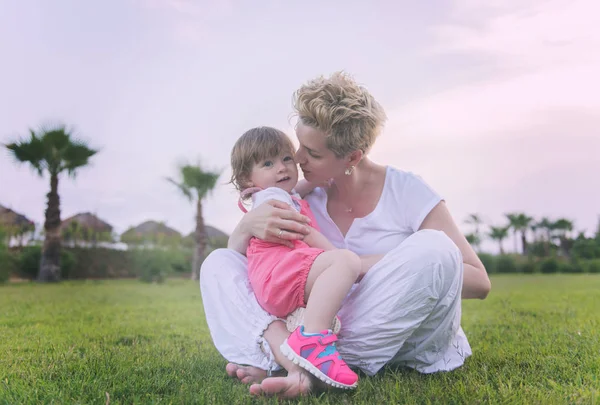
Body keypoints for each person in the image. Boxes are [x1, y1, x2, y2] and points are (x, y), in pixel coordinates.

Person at [200, 71, 491, 399]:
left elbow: (479, 281)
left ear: (352, 157)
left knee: (436, 249)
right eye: (299, 147)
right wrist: (246, 226)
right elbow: (249, 263)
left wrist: (366, 265)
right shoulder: (299, 194)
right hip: (318, 325)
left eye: (312, 153)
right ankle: (298, 356)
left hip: (386, 321)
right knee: (218, 262)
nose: (296, 159)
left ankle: (279, 355)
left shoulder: (407, 191)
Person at [229, 126, 361, 389]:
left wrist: (315, 179)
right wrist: (336, 257)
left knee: (308, 315)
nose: (282, 168)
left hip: (277, 282)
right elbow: (304, 232)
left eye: (286, 158)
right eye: (268, 163)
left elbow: (298, 188)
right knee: (347, 262)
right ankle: (312, 340)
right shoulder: (274, 198)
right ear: (247, 179)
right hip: (281, 272)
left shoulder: (281, 195)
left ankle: (272, 365)